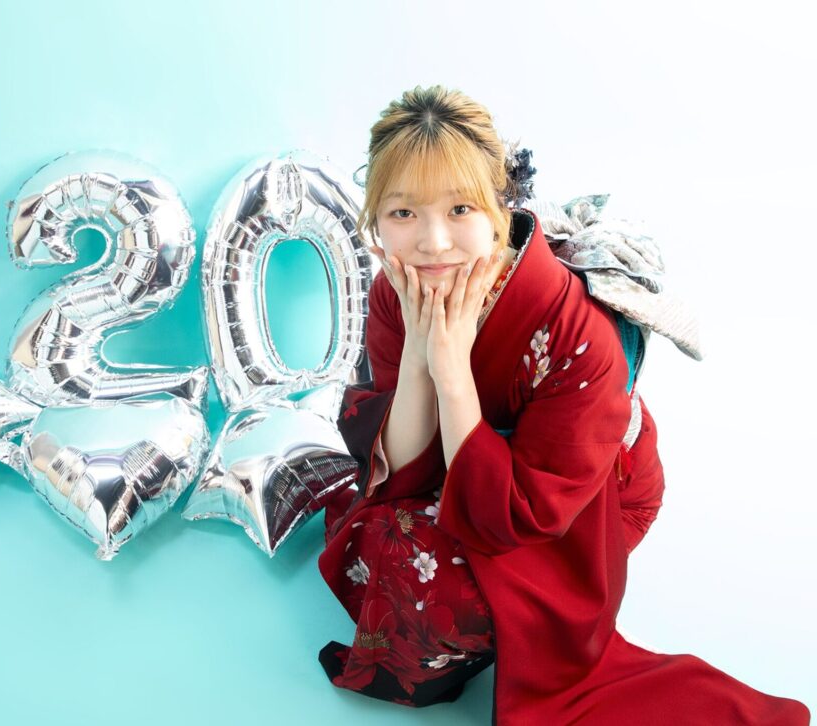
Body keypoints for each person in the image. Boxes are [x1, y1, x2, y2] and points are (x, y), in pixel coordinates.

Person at [316, 85, 811, 724]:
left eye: (460, 208)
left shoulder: (578, 333)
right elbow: (400, 473)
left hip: (580, 503)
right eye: (404, 212)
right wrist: (420, 354)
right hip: (466, 472)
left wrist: (454, 374)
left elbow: (520, 515)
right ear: (376, 219)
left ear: (500, 204)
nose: (433, 243)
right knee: (370, 529)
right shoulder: (398, 290)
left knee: (420, 583)